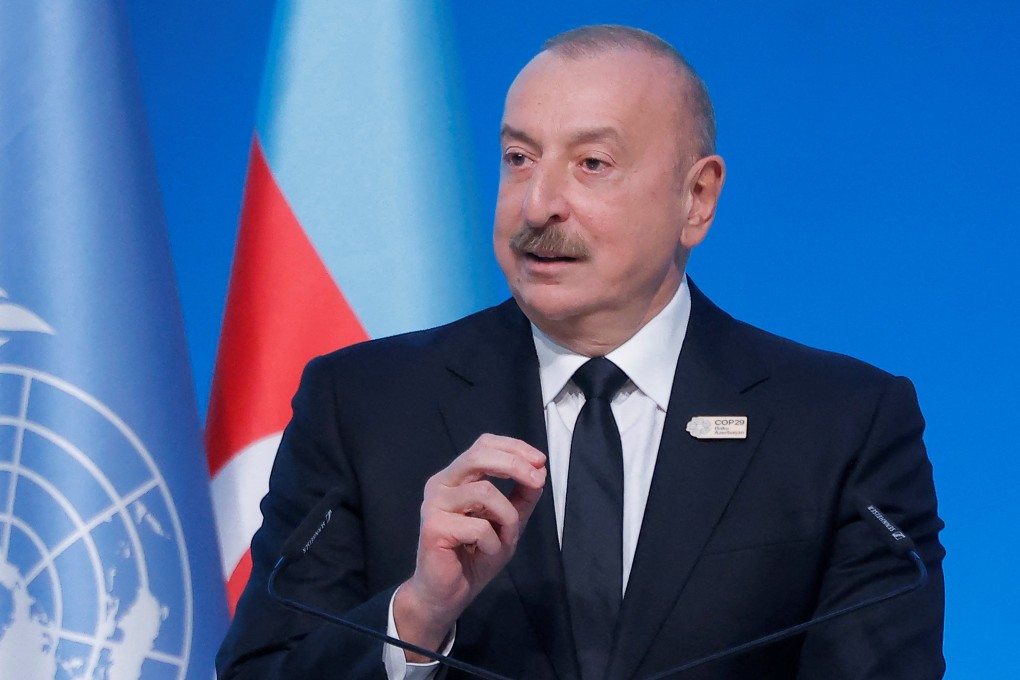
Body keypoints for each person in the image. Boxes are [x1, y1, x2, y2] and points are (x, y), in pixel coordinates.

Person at [217, 25, 945, 680]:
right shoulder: (362, 406)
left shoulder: (840, 424)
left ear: (697, 198)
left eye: (591, 163)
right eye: (518, 157)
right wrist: (413, 621)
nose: (537, 205)